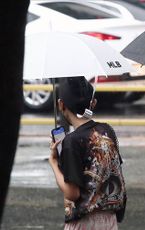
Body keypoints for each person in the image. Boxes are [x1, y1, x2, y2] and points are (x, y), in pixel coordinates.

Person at [49, 76, 126, 230]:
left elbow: (72, 194)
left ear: (61, 104)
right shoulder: (107, 130)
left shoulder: (71, 142)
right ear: (93, 103)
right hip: (110, 219)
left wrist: (54, 162)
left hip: (84, 222)